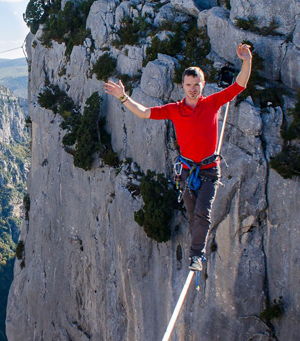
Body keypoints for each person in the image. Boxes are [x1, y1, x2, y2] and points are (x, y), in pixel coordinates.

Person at [104, 44, 252, 271]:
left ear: (203, 85)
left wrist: (246, 61)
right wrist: (123, 97)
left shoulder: (212, 104)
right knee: (193, 215)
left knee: (203, 211)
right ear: (182, 86)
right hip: (186, 171)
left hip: (210, 169)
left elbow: (239, 85)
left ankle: (196, 256)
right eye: (189, 85)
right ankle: (197, 250)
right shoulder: (175, 109)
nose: (193, 89)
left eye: (197, 85)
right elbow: (144, 113)